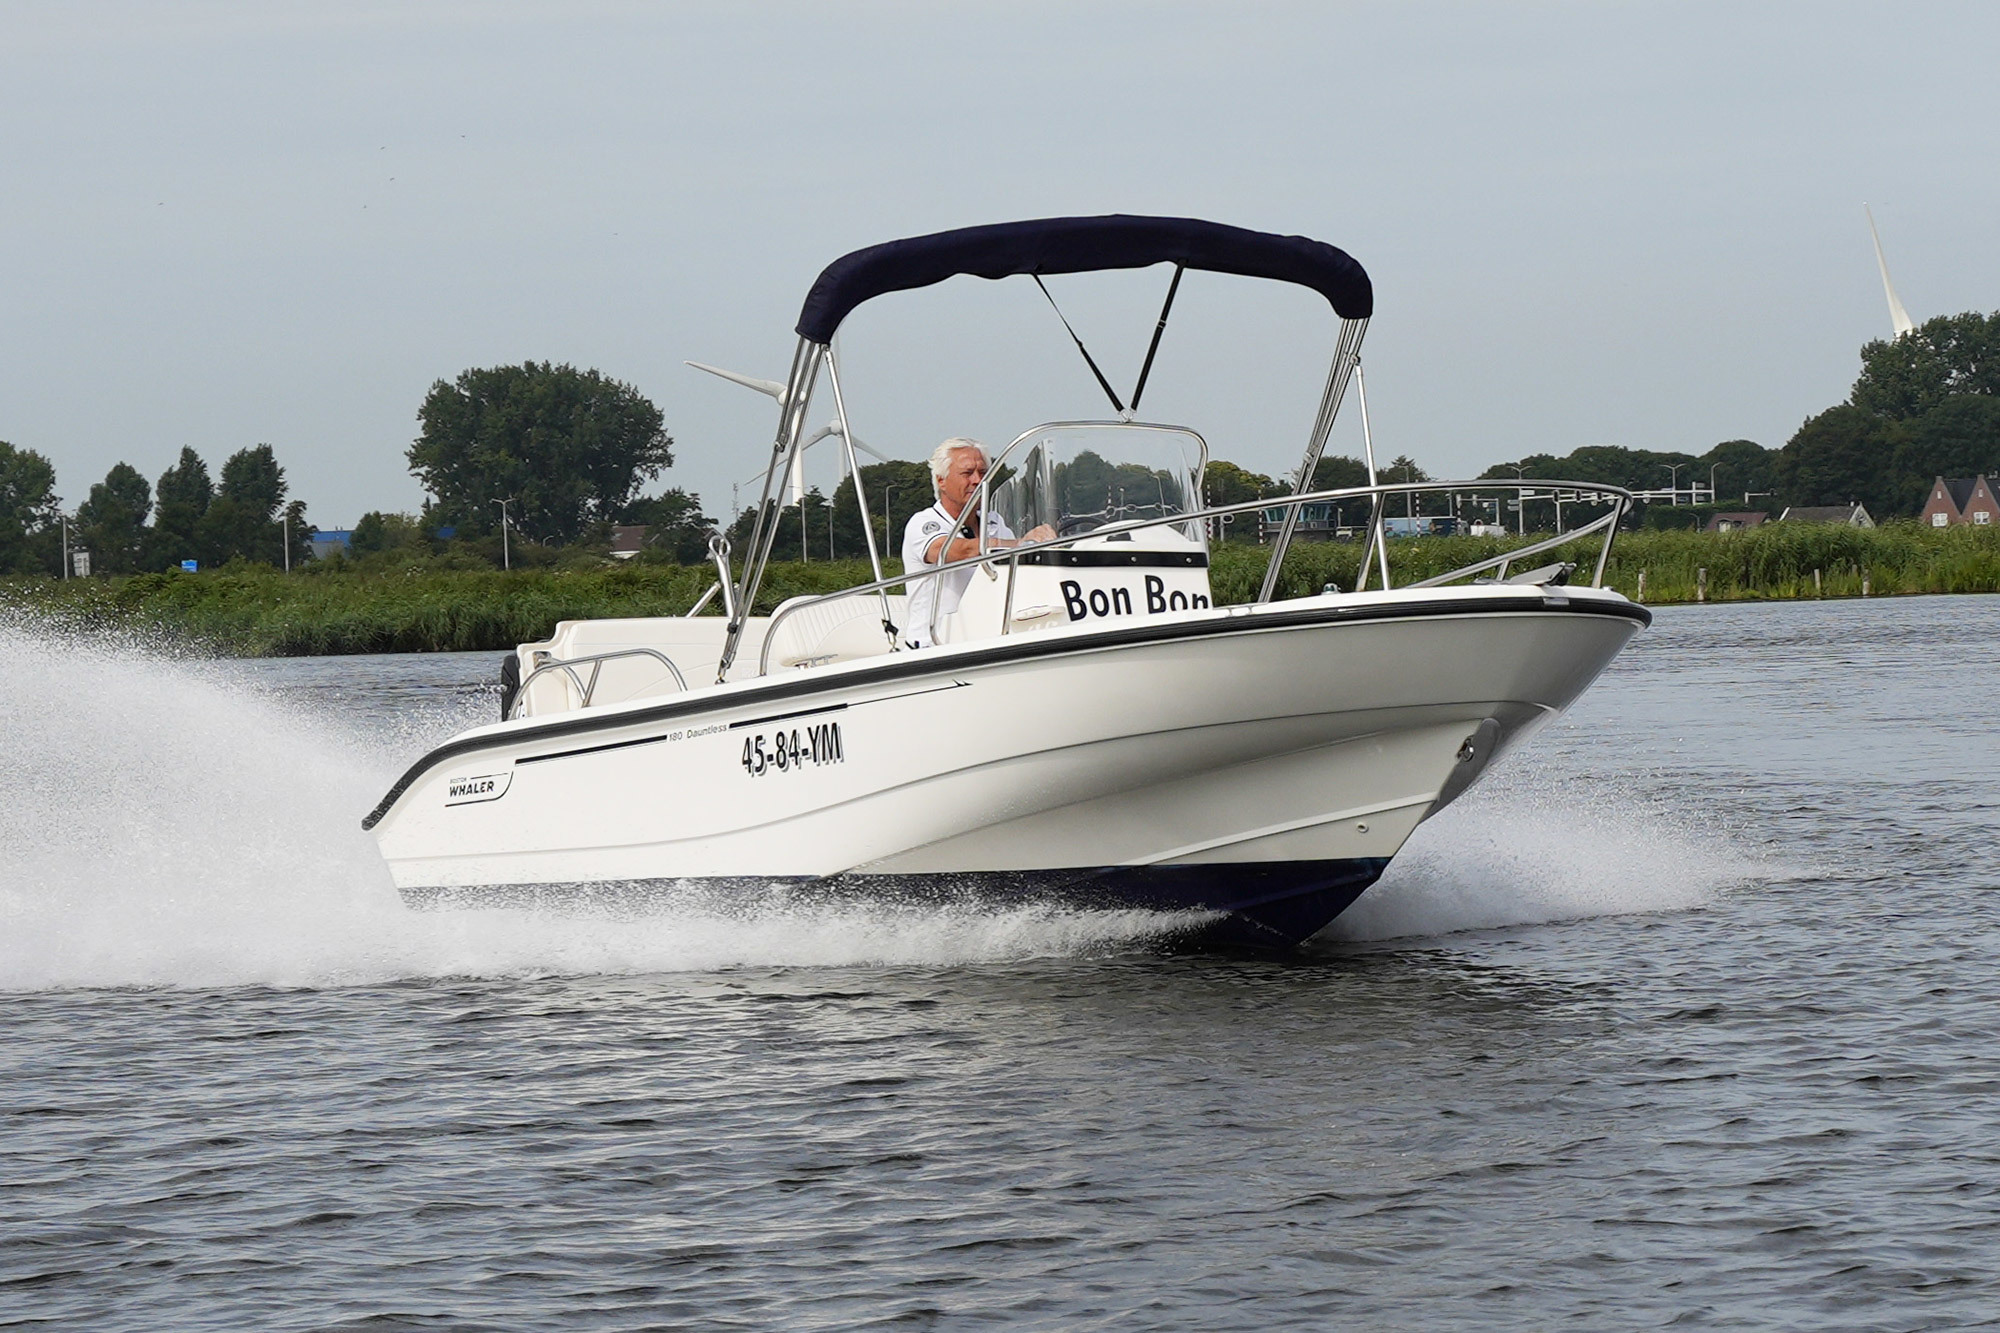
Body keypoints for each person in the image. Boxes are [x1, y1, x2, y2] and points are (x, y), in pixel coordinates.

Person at [900, 438, 1055, 648]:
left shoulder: (994, 521)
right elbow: (953, 551)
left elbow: (1016, 565)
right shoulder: (924, 523)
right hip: (935, 643)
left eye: (983, 473)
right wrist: (1022, 542)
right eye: (967, 473)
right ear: (941, 481)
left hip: (987, 636)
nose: (978, 480)